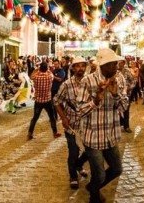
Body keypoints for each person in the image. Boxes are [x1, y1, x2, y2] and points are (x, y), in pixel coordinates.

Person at [76, 48, 128, 203]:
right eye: (112, 64)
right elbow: (80, 110)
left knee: (117, 169)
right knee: (99, 175)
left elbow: (124, 107)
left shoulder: (118, 80)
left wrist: (115, 94)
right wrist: (96, 100)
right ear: (103, 66)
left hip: (111, 135)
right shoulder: (88, 81)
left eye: (116, 63)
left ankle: (92, 188)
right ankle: (94, 196)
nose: (116, 67)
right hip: (93, 137)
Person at [53, 56, 90, 189]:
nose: (80, 68)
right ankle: (73, 176)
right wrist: (63, 118)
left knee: (89, 151)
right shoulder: (66, 84)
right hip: (71, 125)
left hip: (87, 125)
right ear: (73, 68)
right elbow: (56, 101)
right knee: (73, 151)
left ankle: (79, 165)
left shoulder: (90, 82)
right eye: (77, 66)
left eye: (83, 66)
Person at [28, 62, 61, 140]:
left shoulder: (36, 77)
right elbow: (50, 72)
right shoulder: (50, 76)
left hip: (38, 101)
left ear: (40, 68)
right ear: (47, 69)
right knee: (52, 117)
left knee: (35, 118)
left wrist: (36, 69)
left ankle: (30, 133)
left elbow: (31, 76)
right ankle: (55, 133)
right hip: (48, 100)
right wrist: (47, 69)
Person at [119, 59, 135, 132]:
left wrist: (129, 88)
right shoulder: (115, 72)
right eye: (117, 62)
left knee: (126, 110)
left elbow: (133, 81)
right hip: (117, 95)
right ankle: (119, 124)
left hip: (126, 95)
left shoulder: (127, 71)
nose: (118, 64)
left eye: (120, 62)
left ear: (123, 63)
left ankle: (126, 126)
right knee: (117, 111)